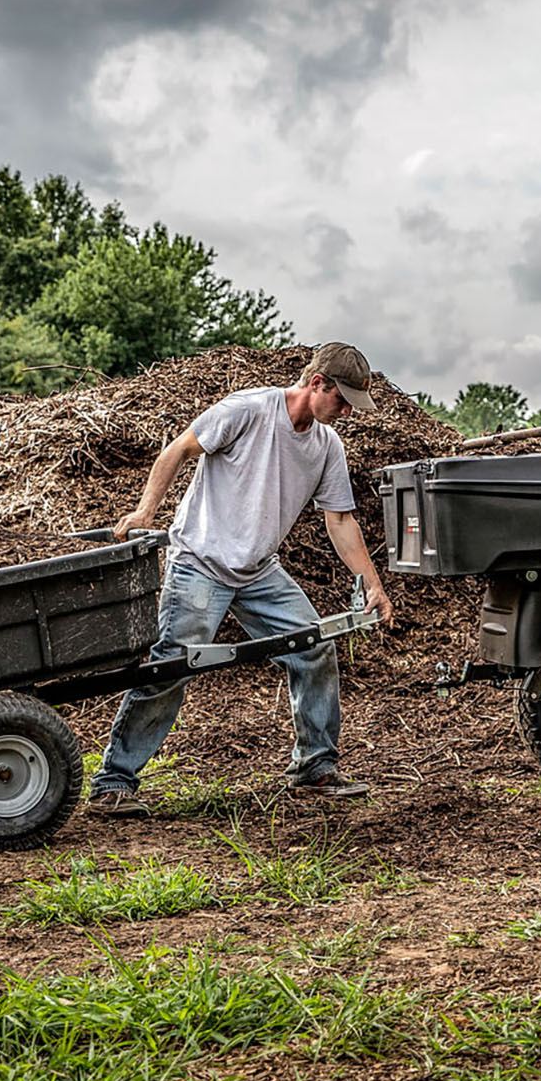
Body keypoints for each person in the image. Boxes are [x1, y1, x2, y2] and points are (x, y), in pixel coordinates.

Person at [89, 341, 397, 815]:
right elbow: (179, 449)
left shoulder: (326, 445)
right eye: (341, 400)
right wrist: (146, 509)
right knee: (171, 664)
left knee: (313, 646)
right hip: (200, 561)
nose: (346, 413)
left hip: (258, 572)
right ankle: (114, 781)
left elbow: (341, 521)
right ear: (317, 383)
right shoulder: (248, 411)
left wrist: (373, 585)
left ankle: (315, 766)